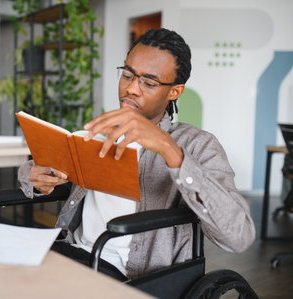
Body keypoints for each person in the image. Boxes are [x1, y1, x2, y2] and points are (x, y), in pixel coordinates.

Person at [17, 28, 255, 281]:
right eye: (128, 75)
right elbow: (38, 167)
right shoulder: (101, 129)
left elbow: (239, 236)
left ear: (174, 92)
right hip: (70, 251)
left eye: (149, 83)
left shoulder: (197, 144)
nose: (131, 88)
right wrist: (33, 176)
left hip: (127, 274)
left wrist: (169, 150)